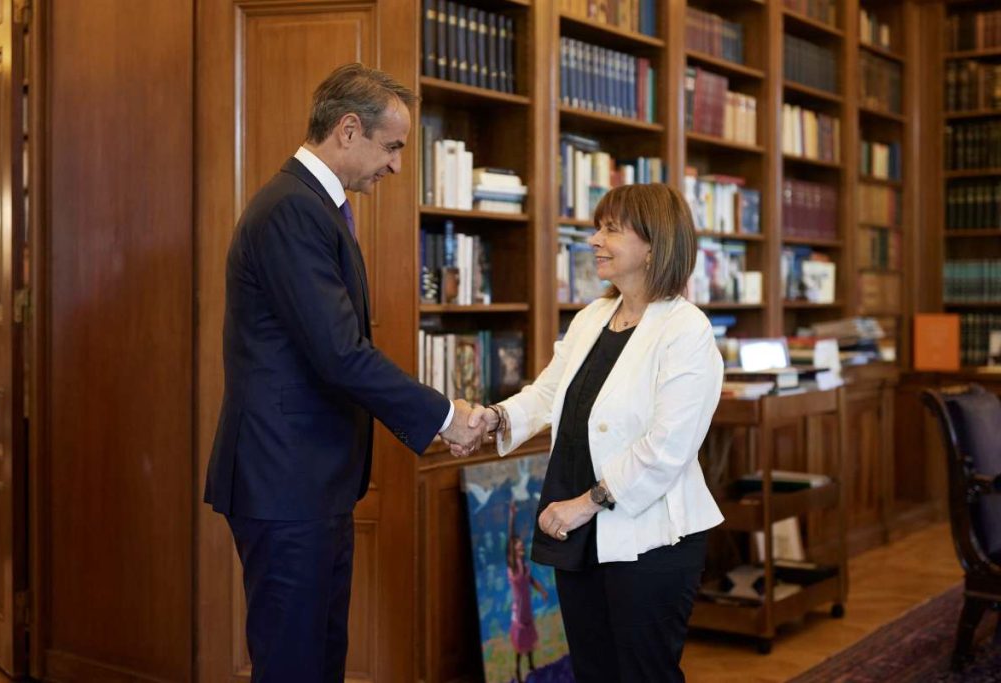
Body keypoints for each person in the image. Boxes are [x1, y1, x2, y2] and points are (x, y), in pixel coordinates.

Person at [204, 63, 484, 682]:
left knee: (320, 660)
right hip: (285, 481)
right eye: (393, 147)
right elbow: (339, 353)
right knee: (294, 666)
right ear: (349, 129)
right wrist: (444, 416)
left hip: (311, 482)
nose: (396, 166)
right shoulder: (292, 210)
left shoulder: (314, 207)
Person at [465, 183, 725, 682]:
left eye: (610, 230)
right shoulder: (592, 317)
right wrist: (493, 418)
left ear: (653, 245)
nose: (594, 241)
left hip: (650, 538)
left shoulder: (686, 329)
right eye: (597, 228)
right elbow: (548, 393)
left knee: (644, 674)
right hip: (581, 533)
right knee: (592, 672)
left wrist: (587, 502)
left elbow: (667, 446)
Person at [506, 501, 547, 683]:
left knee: (529, 639)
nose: (521, 547)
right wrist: (512, 517)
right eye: (518, 546)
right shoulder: (514, 568)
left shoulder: (524, 565)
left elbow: (531, 580)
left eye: (522, 545)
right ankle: (517, 668)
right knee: (520, 643)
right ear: (512, 550)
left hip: (527, 610)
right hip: (519, 612)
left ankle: (530, 664)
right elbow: (510, 538)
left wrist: (542, 590)